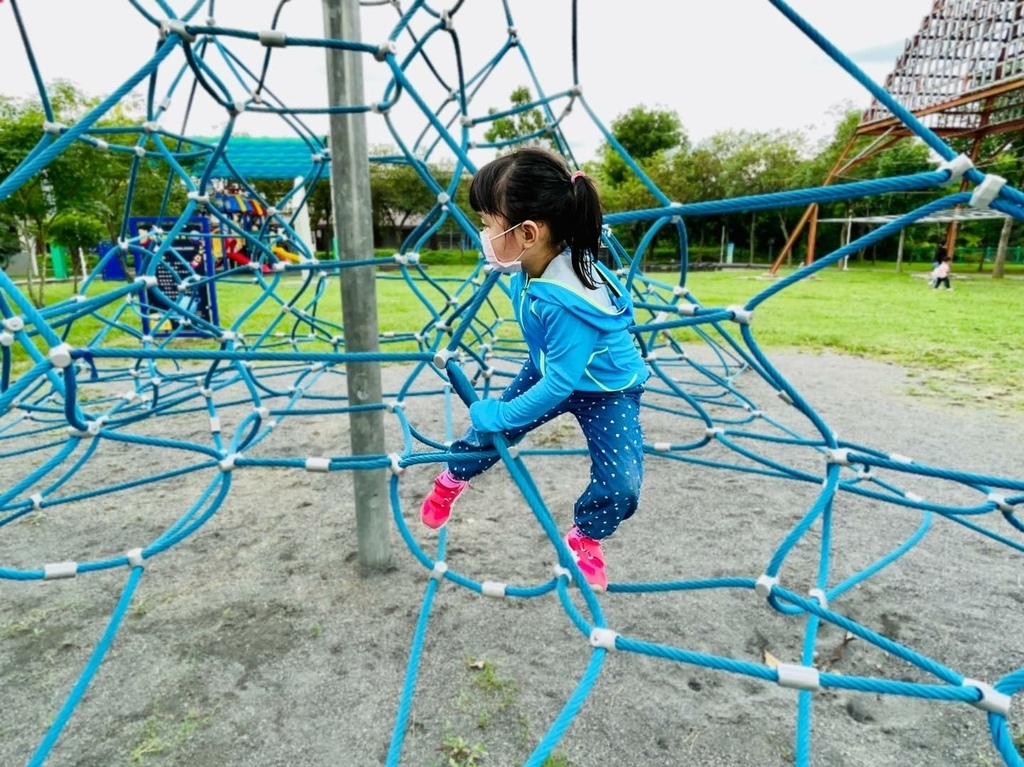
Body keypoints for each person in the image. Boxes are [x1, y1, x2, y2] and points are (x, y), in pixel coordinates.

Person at [419, 147, 650, 591]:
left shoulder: (568, 299)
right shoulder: (529, 267)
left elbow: (562, 383)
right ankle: (454, 476)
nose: (483, 233)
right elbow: (554, 369)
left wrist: (505, 413)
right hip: (552, 368)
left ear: (526, 232)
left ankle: (585, 536)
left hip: (607, 389)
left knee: (621, 483)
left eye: (488, 223)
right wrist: (503, 418)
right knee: (490, 433)